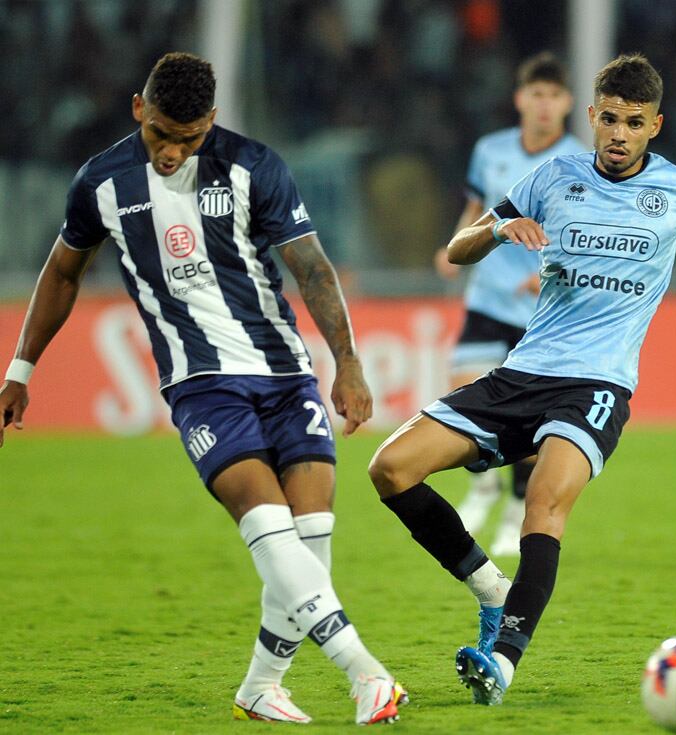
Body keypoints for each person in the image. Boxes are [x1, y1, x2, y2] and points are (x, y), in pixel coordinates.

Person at [0, 53, 404, 726]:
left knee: (310, 536)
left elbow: (310, 267)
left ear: (212, 121)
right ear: (139, 110)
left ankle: (260, 684)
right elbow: (63, 273)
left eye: (189, 138)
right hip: (201, 384)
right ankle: (366, 671)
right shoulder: (101, 181)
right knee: (269, 528)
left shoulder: (254, 167)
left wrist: (349, 361)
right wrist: (20, 370)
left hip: (284, 374)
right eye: (161, 133)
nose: (172, 150)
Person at [368, 54, 676, 706]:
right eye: (608, 118)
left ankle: (501, 660)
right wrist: (499, 229)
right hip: (522, 372)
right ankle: (491, 591)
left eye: (633, 122)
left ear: (655, 125)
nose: (617, 132)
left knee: (543, 504)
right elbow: (459, 247)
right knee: (390, 468)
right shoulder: (554, 174)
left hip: (597, 386)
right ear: (591, 116)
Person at [434, 52, 586, 557]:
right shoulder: (490, 150)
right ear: (521, 99)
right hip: (487, 297)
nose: (544, 105)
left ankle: (517, 513)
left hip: (544, 313)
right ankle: (482, 487)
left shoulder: (574, 162)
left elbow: (580, 230)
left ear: (567, 104)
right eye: (536, 95)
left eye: (554, 96)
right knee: (464, 395)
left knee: (529, 422)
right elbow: (477, 210)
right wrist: (455, 242)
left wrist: (554, 267)